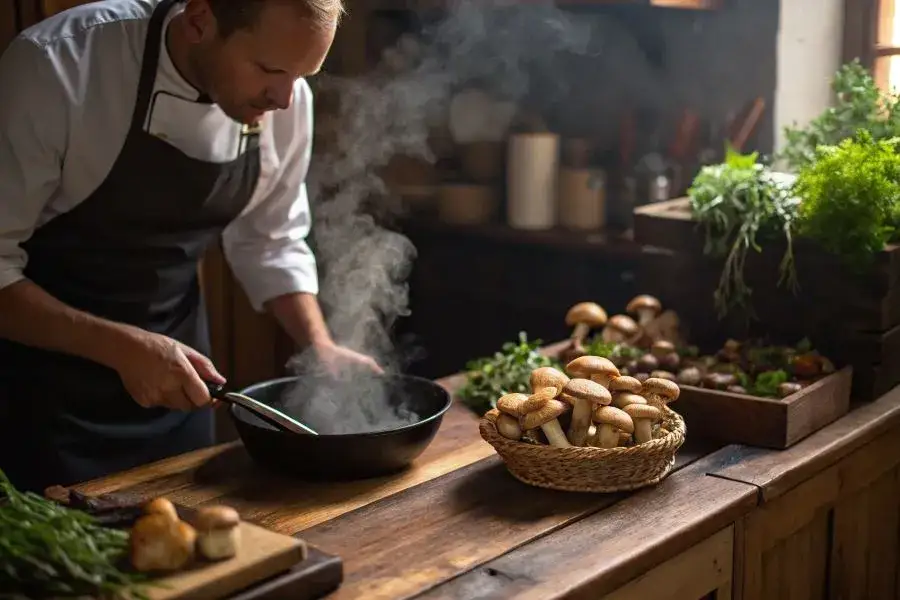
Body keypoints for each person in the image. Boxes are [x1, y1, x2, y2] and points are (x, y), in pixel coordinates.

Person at [0, 0, 380, 493]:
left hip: (181, 391)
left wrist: (320, 345)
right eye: (269, 70)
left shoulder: (285, 95)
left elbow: (272, 240)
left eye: (302, 76)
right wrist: (122, 348)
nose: (286, 99)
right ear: (200, 19)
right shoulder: (58, 65)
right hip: (43, 398)